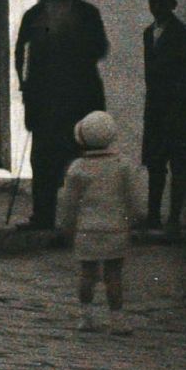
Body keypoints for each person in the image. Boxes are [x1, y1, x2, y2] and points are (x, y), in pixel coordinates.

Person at [14, 0, 109, 231]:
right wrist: (24, 86)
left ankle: (80, 220)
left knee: (80, 159)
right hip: (44, 102)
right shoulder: (34, 15)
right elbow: (19, 52)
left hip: (80, 99)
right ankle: (42, 217)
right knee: (43, 161)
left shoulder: (87, 14)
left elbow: (100, 48)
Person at [58, 110, 146, 334]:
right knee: (113, 276)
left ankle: (85, 317)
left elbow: (69, 203)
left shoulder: (77, 167)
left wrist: (67, 226)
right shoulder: (122, 165)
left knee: (87, 275)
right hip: (115, 229)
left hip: (87, 229)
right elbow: (133, 198)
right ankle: (117, 319)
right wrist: (136, 219)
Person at [139, 0, 186, 238]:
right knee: (155, 165)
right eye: (153, 1)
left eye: (163, 2)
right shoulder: (148, 34)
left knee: (179, 166)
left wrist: (182, 108)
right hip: (156, 111)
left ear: (174, 4)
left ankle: (174, 219)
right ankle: (154, 217)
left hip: (180, 113)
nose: (157, 7)